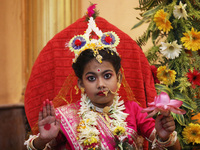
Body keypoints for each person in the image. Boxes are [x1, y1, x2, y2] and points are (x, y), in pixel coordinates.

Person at [24, 4, 182, 150]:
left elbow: (172, 147)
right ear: (80, 83)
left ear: (119, 78)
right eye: (91, 78)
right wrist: (42, 140)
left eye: (107, 76)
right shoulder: (65, 117)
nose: (100, 84)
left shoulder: (133, 110)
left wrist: (164, 137)